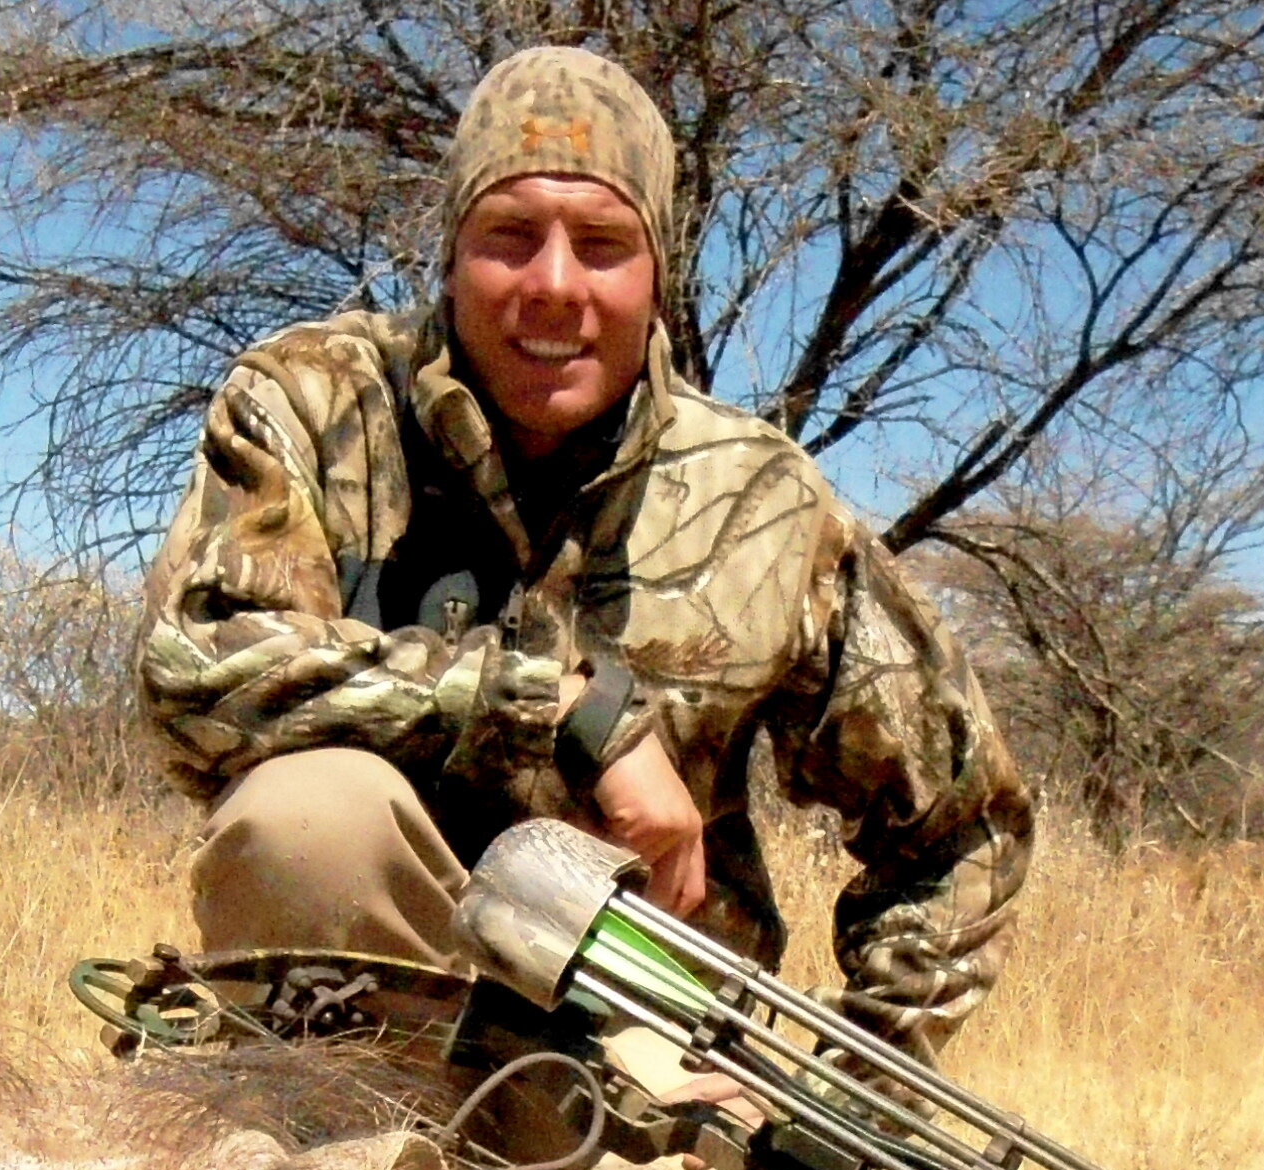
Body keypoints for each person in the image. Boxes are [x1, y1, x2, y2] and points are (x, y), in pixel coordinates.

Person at [136, 45, 1032, 1061]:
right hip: (363, 1005)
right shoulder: (313, 399)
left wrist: (853, 1077)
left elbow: (965, 827)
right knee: (307, 817)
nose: (553, 286)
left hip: (642, 1036)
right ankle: (339, 1126)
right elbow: (192, 663)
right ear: (450, 254)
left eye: (602, 243)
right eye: (509, 236)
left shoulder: (764, 497)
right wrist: (562, 712)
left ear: (659, 272)